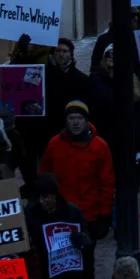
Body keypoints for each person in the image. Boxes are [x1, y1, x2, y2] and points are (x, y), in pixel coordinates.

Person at [38, 100, 113, 239]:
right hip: (60, 212)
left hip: (89, 214)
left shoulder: (100, 147)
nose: (75, 122)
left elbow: (107, 183)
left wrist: (104, 214)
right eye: (71, 118)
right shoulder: (54, 144)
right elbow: (44, 177)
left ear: (86, 120)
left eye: (79, 118)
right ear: (66, 121)